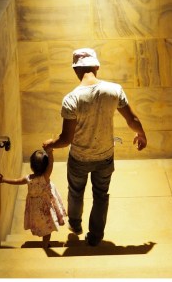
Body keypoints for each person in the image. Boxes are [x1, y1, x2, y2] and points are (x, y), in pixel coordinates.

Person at [43, 47, 147, 246]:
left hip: (79, 158)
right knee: (101, 195)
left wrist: (50, 144)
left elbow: (66, 139)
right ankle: (96, 235)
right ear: (97, 66)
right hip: (105, 157)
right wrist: (141, 134)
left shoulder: (71, 99)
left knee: (75, 191)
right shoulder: (114, 90)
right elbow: (132, 119)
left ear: (75, 70)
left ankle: (75, 224)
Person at [0, 146, 67, 248]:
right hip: (45, 207)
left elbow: (16, 181)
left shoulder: (28, 179)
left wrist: (4, 180)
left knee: (39, 222)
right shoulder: (45, 177)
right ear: (46, 166)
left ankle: (41, 235)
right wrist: (50, 152)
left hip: (34, 207)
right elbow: (51, 164)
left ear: (31, 166)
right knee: (47, 226)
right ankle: (45, 243)